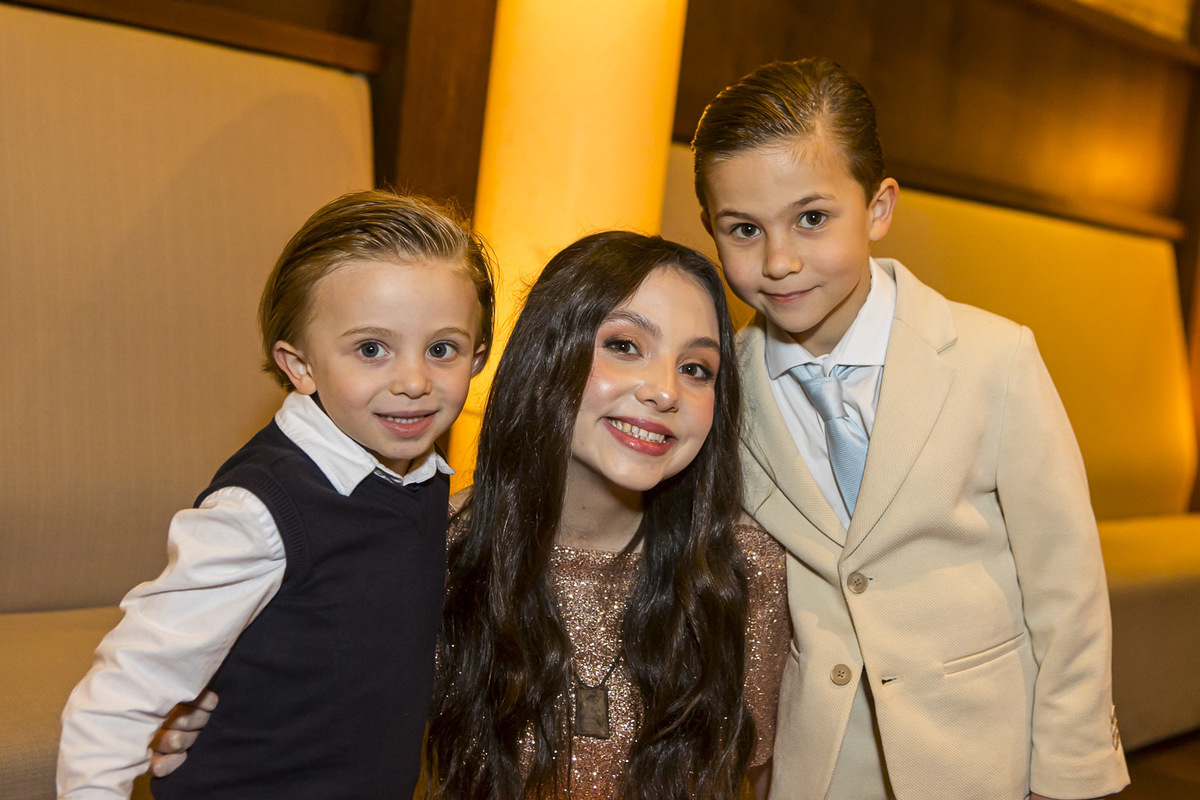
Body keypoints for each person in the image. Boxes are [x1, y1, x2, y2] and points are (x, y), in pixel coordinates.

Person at [691, 58, 1130, 799]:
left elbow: (1067, 584)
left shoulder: (994, 358)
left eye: (812, 218)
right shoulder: (720, 389)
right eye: (744, 229)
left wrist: (1070, 772)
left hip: (980, 756)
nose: (779, 261)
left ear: (878, 208)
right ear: (711, 228)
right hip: (816, 767)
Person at [57, 190, 496, 799]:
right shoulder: (259, 512)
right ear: (299, 365)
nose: (415, 381)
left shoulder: (418, 479)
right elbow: (120, 694)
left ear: (476, 359)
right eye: (371, 349)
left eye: (441, 349)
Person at [428, 230, 789, 800]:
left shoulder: (742, 572)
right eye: (624, 345)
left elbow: (764, 781)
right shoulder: (437, 551)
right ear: (546, 357)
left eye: (696, 368)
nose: (665, 392)